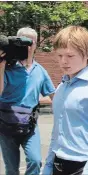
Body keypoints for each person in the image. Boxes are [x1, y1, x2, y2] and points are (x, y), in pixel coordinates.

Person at [42, 25, 88, 175]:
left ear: (87, 54)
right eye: (59, 56)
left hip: (84, 166)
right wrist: (48, 166)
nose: (63, 61)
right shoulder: (61, 87)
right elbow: (57, 132)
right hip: (58, 164)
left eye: (70, 56)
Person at [0, 27, 55, 175]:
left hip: (29, 125)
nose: (28, 46)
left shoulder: (40, 70)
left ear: (36, 45)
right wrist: (2, 65)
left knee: (35, 160)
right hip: (6, 125)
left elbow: (54, 96)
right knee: (11, 169)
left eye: (31, 42)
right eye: (23, 42)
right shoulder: (6, 68)